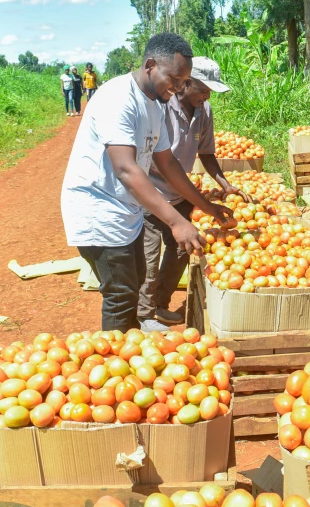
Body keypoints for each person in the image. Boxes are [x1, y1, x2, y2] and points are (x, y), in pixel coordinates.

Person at [60, 33, 231, 333]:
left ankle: (131, 342)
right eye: (174, 79)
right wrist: (176, 222)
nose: (178, 87)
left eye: (183, 81)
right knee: (121, 294)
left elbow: (168, 164)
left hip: (125, 211)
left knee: (136, 280)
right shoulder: (118, 98)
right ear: (150, 65)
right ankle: (116, 364)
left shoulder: (154, 105)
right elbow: (126, 169)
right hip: (98, 209)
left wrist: (207, 207)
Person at [138, 57, 250, 332]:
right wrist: (201, 199)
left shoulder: (205, 111)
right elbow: (160, 161)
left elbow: (207, 154)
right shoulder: (162, 108)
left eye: (210, 91)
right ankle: (144, 314)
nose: (206, 95)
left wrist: (225, 184)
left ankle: (161, 305)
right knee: (149, 256)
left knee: (182, 248)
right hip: (151, 191)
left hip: (182, 191)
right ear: (185, 83)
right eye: (202, 89)